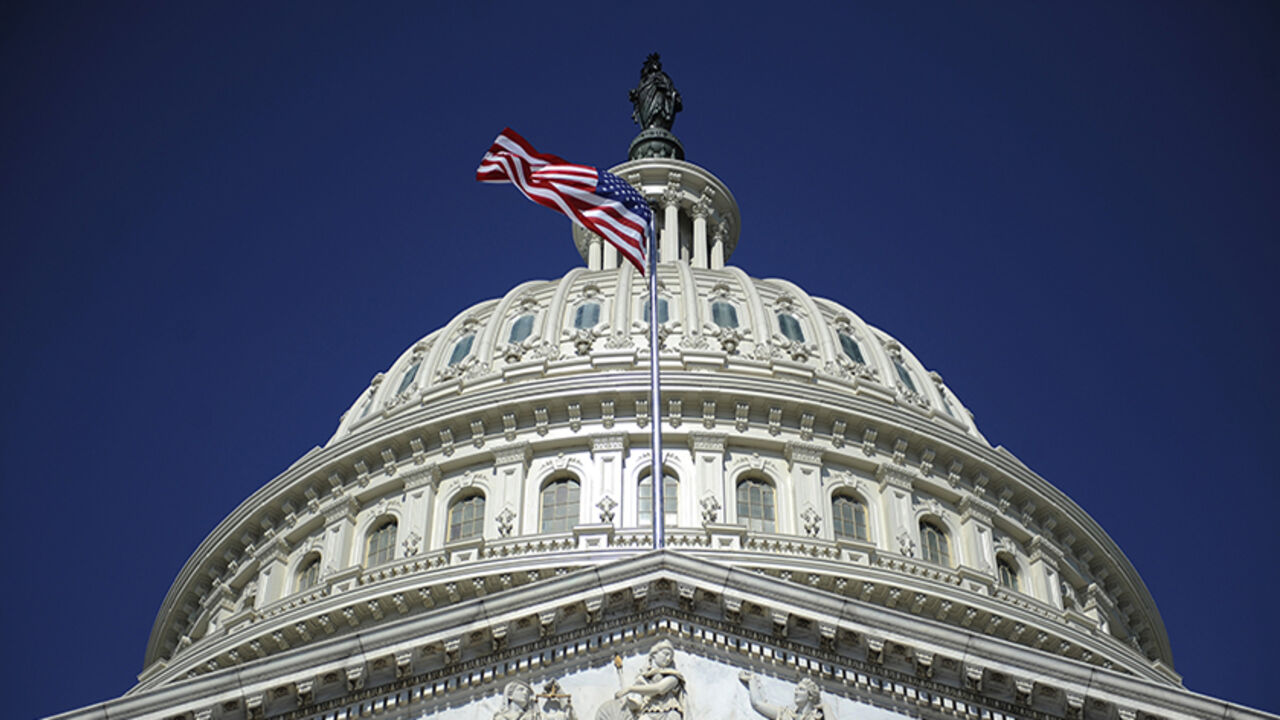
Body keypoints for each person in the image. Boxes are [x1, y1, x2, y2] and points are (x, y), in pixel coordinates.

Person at [613, 640, 686, 720]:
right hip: (649, 709)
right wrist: (631, 701)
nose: (668, 659)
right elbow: (637, 701)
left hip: (668, 711)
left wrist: (630, 689)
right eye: (666, 654)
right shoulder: (643, 678)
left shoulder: (674, 676)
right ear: (654, 654)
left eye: (670, 657)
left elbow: (660, 688)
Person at [738, 672, 825, 720]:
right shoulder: (786, 715)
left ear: (810, 696)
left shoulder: (817, 718)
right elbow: (757, 704)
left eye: (801, 689)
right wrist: (752, 680)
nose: (796, 692)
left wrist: (826, 708)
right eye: (796, 689)